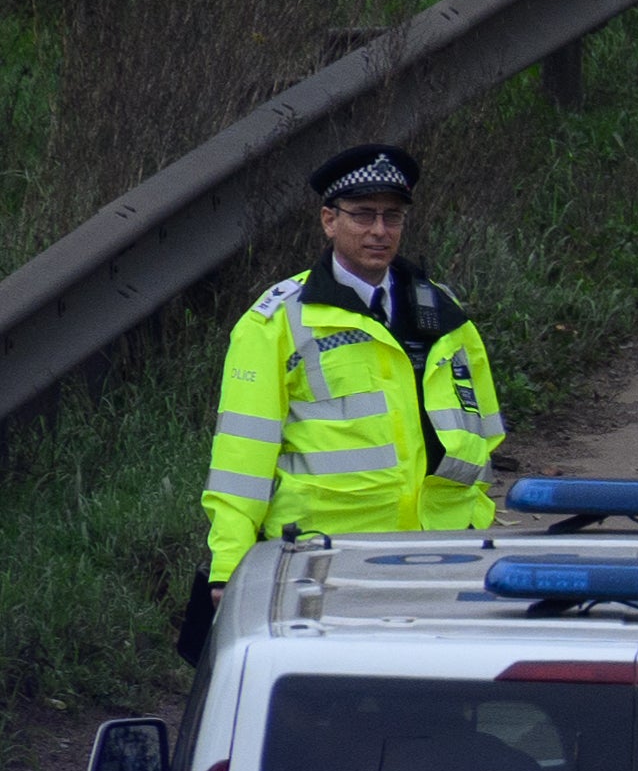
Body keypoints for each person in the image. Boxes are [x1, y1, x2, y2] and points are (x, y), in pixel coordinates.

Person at [187, 143, 506, 661]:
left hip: (441, 557)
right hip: (325, 564)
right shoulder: (278, 322)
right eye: (363, 215)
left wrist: (476, 530)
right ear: (329, 221)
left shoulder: (444, 313)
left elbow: (483, 434)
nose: (379, 231)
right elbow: (240, 461)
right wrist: (228, 568)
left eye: (392, 216)